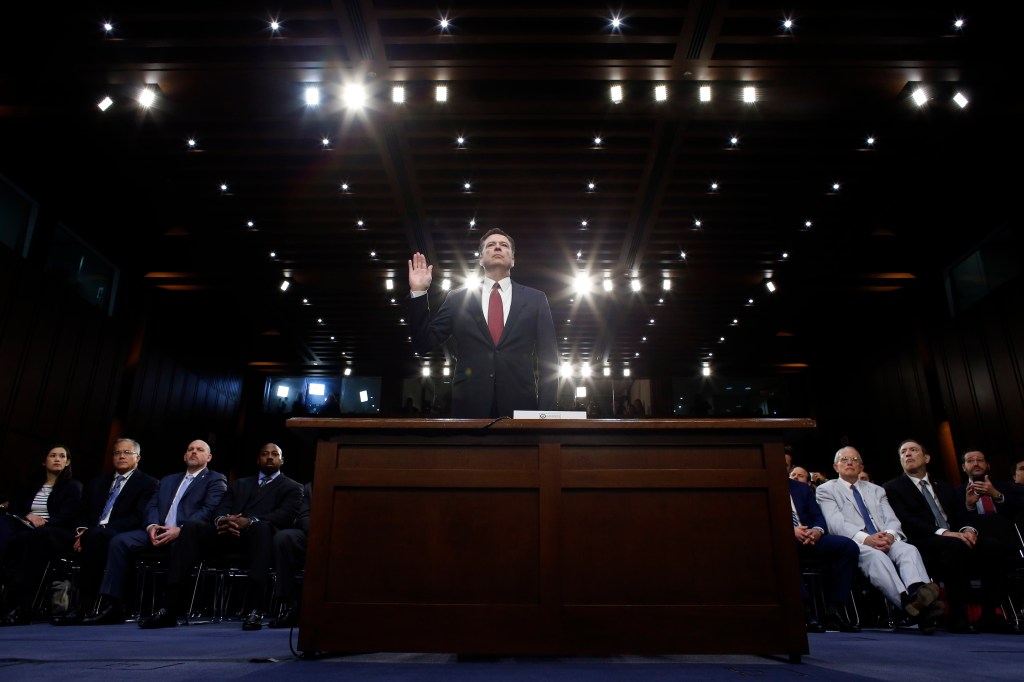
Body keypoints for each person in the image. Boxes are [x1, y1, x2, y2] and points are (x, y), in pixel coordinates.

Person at [137, 443, 302, 631]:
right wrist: (223, 520)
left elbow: (285, 516)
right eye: (265, 454)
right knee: (191, 528)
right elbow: (222, 508)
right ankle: (169, 608)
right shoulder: (239, 483)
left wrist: (251, 521)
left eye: (274, 454)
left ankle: (255, 609)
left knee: (263, 529)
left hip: (259, 539)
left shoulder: (293, 487)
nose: (270, 457)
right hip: (227, 533)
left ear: (282, 460)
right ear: (258, 459)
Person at [407, 228, 559, 418]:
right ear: (480, 259)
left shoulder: (536, 299)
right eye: (490, 245)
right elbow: (423, 343)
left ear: (512, 259)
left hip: (521, 408)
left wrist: (546, 415)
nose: (497, 247)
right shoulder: (457, 299)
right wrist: (419, 292)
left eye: (504, 245)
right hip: (469, 408)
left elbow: (549, 359)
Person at [82, 439, 227, 625]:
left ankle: (167, 609)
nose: (193, 452)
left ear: (209, 457)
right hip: (156, 531)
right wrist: (151, 526)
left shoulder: (215, 479)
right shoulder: (168, 480)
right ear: (184, 455)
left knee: (181, 544)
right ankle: (114, 606)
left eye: (199, 450)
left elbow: (208, 510)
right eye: (190, 449)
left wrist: (179, 530)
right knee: (119, 542)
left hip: (185, 535)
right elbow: (152, 505)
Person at [883, 438, 1012, 633]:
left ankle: (989, 615)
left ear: (926, 458)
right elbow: (906, 520)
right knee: (955, 546)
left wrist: (968, 530)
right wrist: (945, 533)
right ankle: (958, 616)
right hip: (922, 540)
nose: (907, 454)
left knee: (992, 546)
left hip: (953, 537)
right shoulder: (892, 487)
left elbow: (959, 515)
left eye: (913, 450)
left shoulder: (943, 486)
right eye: (903, 452)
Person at [815, 447, 943, 633]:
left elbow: (892, 519)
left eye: (854, 459)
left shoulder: (877, 490)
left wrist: (890, 535)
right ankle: (910, 605)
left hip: (885, 539)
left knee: (909, 550)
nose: (849, 462)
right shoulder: (826, 490)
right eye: (844, 460)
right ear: (836, 467)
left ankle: (916, 592)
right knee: (877, 558)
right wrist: (868, 539)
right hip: (857, 543)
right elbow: (836, 524)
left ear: (861, 466)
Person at [52, 438, 158, 625]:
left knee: (95, 537)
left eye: (127, 453)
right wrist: (82, 530)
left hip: (121, 533)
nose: (121, 456)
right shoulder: (97, 483)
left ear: (138, 457)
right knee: (48, 536)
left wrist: (99, 530)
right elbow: (82, 511)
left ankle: (84, 606)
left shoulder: (149, 484)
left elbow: (138, 517)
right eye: (117, 453)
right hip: (90, 533)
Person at [0, 445, 83, 625]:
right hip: (27, 528)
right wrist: (27, 516)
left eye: (62, 456)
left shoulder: (72, 486)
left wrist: (45, 522)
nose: (57, 459)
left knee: (37, 537)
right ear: (44, 461)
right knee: (4, 524)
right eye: (53, 455)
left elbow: (68, 515)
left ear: (67, 462)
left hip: (56, 531)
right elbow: (15, 509)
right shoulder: (30, 486)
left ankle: (22, 606)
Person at [788, 478, 860, 632]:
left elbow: (818, 517)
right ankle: (804, 611)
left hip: (810, 537)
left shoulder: (801, 488)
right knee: (785, 548)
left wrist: (817, 531)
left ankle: (835, 609)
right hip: (784, 539)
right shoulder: (760, 485)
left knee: (848, 547)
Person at [269, 481, 311, 629]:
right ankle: (290, 606)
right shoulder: (310, 488)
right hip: (314, 536)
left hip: (346, 535)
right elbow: (304, 516)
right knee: (284, 538)